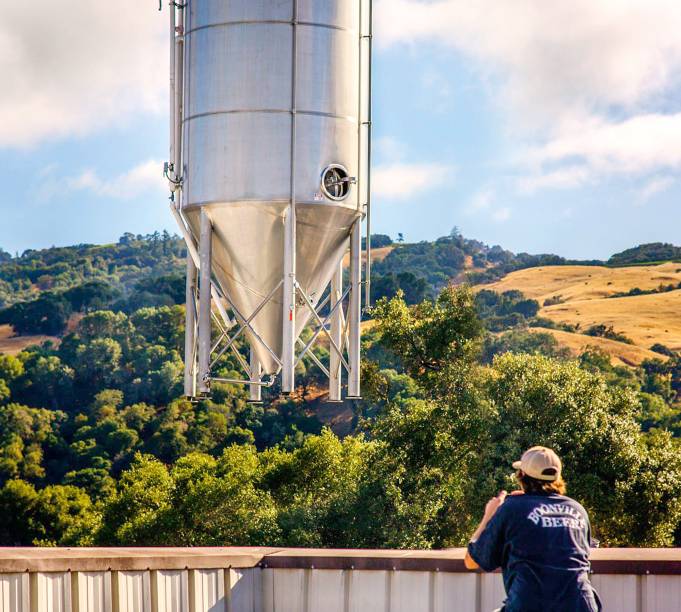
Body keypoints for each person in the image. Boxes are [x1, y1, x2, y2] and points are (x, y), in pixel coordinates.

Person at [465, 446, 601, 612]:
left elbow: (471, 561)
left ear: (521, 475)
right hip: (582, 606)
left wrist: (490, 515)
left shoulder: (512, 508)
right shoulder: (578, 509)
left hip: (530, 605)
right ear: (557, 477)